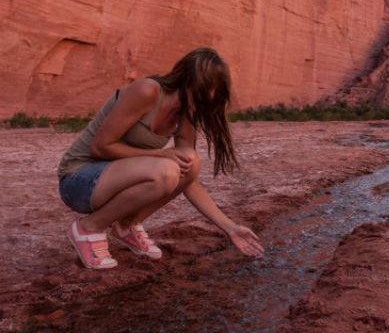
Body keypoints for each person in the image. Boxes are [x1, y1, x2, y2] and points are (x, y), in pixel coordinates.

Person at [57, 48, 264, 269]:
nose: (207, 105)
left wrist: (230, 227)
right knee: (166, 170)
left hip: (112, 181)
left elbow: (188, 179)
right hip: (78, 181)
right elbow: (100, 147)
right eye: (204, 95)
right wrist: (160, 153)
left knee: (190, 162)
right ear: (189, 81)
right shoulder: (148, 91)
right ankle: (88, 228)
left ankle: (126, 226)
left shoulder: (185, 115)